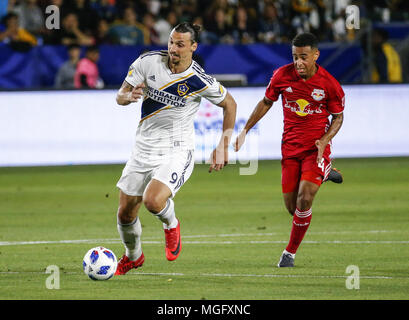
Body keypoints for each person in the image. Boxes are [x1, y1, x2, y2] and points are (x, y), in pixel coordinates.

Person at [114, 22, 237, 275]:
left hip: (176, 149)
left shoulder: (197, 79)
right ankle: (133, 257)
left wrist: (223, 145)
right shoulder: (147, 62)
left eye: (180, 44)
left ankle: (171, 224)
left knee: (153, 200)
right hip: (143, 148)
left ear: (193, 47)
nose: (173, 48)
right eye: (171, 42)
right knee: (125, 214)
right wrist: (129, 97)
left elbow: (230, 104)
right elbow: (120, 96)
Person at [233, 32, 344, 267]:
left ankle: (289, 254)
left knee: (305, 198)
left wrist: (325, 140)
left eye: (304, 57)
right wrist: (245, 131)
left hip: (316, 149)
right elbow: (266, 102)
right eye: (295, 57)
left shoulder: (329, 84)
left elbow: (338, 117)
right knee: (293, 208)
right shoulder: (282, 76)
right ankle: (326, 172)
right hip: (290, 149)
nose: (299, 62)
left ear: (316, 55)